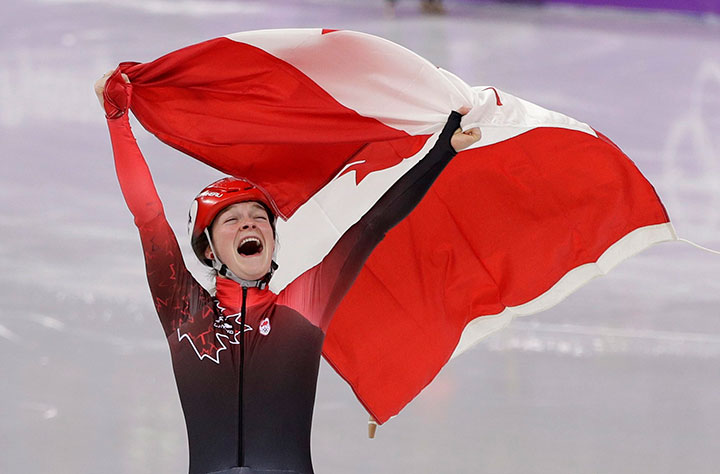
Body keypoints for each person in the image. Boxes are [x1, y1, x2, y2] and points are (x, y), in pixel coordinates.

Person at [95, 69, 480, 474]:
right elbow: (148, 216)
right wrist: (118, 120)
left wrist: (443, 152)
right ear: (208, 249)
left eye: (259, 217)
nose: (249, 224)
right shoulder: (185, 310)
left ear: (273, 242)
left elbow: (370, 227)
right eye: (232, 220)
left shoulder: (304, 304)